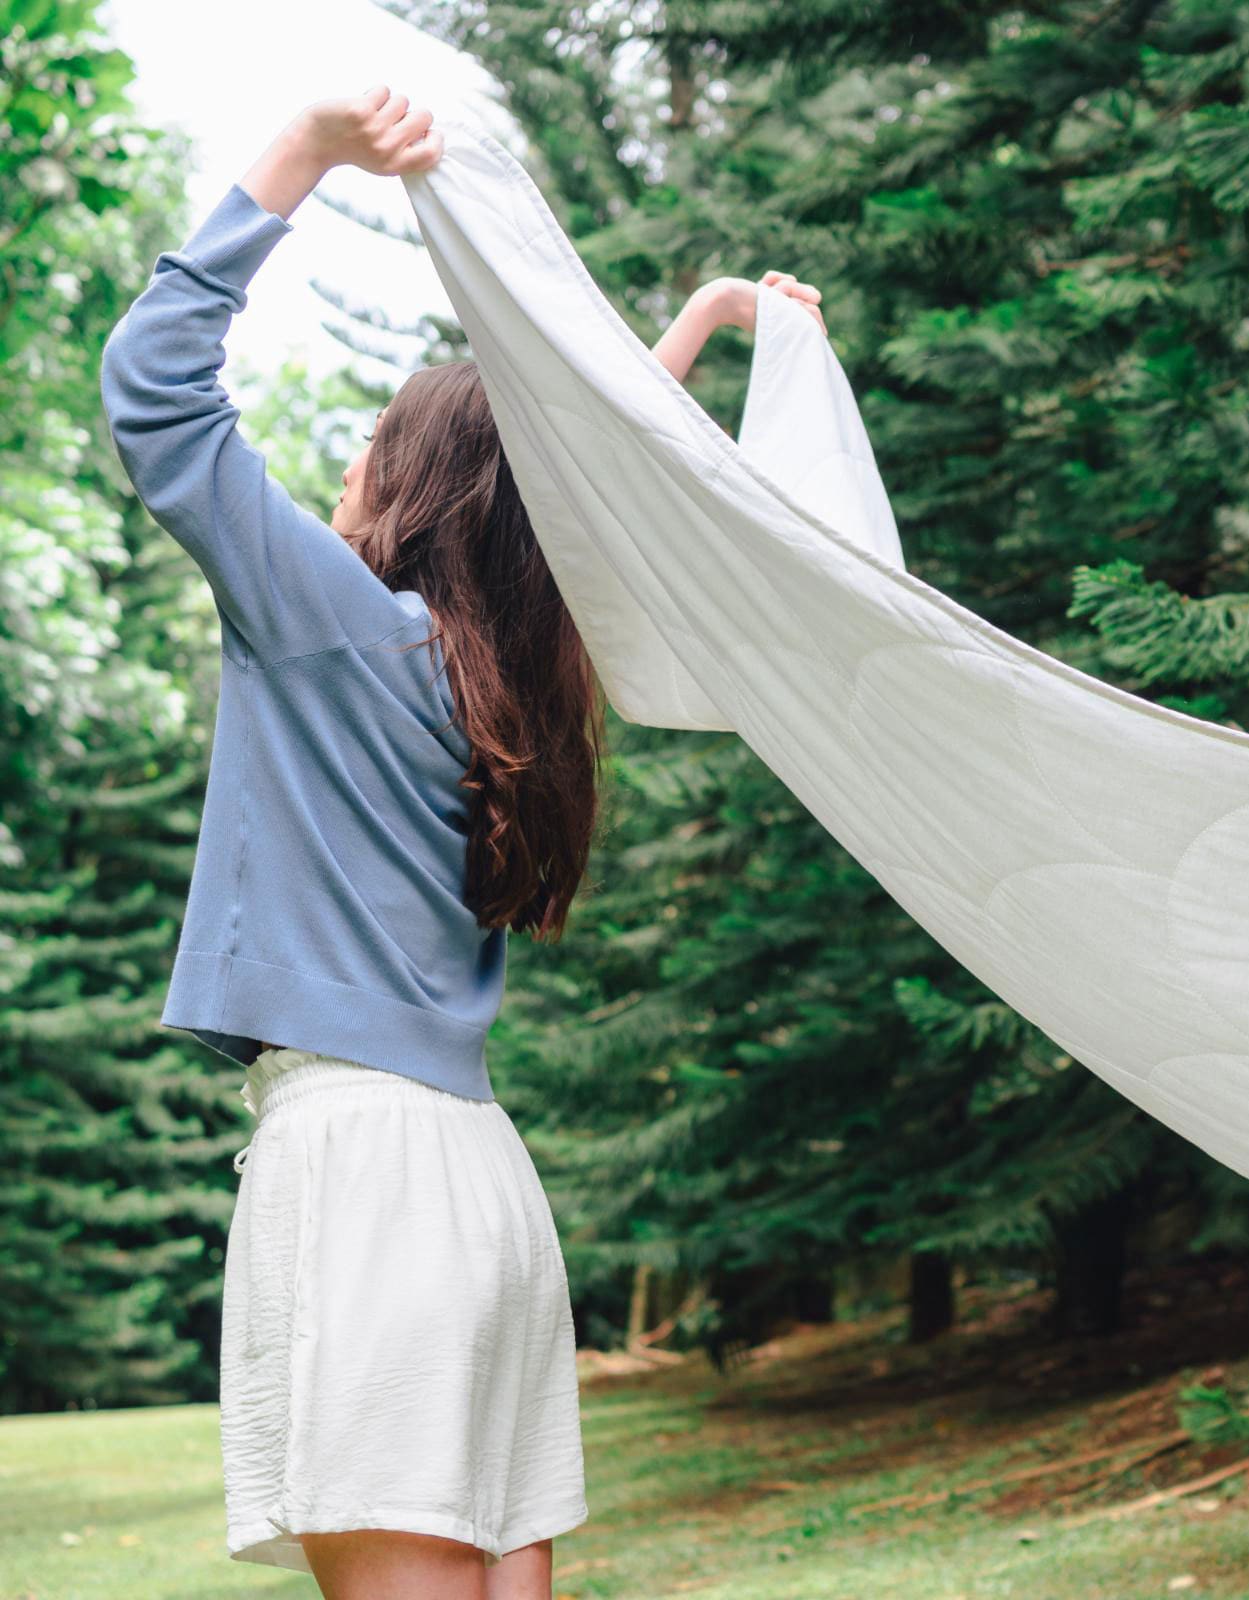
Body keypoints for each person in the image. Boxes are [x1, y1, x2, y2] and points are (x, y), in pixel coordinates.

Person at [99, 85, 825, 1600]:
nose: (348, 475)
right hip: (482, 1188)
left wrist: (300, 153)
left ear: (417, 491)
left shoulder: (333, 633)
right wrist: (699, 318)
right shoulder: (520, 693)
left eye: (371, 448)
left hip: (358, 1175)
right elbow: (567, 494)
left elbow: (156, 391)